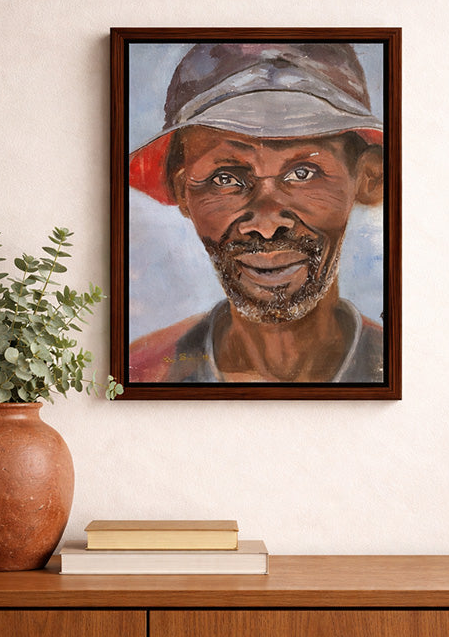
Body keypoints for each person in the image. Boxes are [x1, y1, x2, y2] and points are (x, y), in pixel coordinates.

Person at [128, 42, 384, 383]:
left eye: (303, 173)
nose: (265, 224)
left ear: (368, 178)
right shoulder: (143, 374)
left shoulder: (410, 372)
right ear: (182, 191)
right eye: (225, 178)